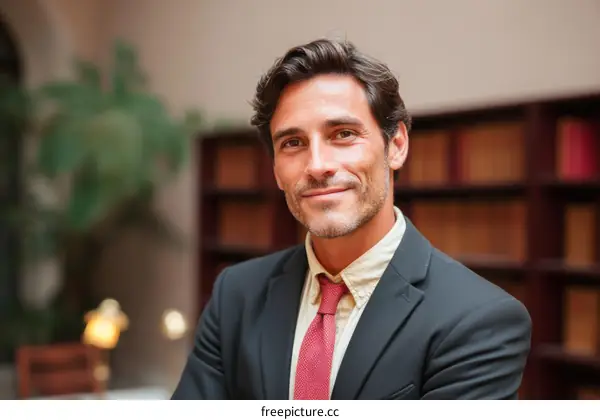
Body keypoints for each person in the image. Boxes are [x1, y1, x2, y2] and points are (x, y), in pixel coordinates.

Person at [172, 38, 532, 400]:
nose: (317, 166)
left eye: (343, 134)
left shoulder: (479, 321)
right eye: (293, 143)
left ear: (396, 146)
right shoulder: (236, 294)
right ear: (276, 171)